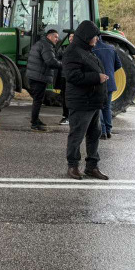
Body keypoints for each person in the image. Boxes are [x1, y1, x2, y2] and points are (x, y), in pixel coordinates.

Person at [63, 20, 109, 181]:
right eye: (94, 37)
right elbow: (72, 76)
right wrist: (97, 77)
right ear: (86, 37)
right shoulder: (73, 51)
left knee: (94, 134)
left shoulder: (88, 51)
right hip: (81, 102)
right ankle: (73, 166)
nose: (96, 40)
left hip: (93, 102)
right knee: (77, 135)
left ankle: (92, 167)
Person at [26, 29, 62, 132]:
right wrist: (63, 65)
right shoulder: (47, 46)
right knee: (37, 101)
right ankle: (34, 123)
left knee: (38, 100)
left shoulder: (40, 43)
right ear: (49, 36)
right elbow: (50, 61)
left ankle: (36, 119)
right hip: (39, 77)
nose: (57, 39)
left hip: (35, 76)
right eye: (55, 37)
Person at [92, 36, 122, 139]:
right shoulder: (111, 48)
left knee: (99, 106)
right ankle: (109, 130)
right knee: (107, 107)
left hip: (98, 82)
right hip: (110, 83)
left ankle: (103, 131)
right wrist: (110, 72)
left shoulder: (92, 49)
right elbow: (118, 64)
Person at [56, 33, 73, 125]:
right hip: (64, 76)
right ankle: (66, 116)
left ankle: (70, 117)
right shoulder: (64, 47)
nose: (71, 38)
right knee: (64, 96)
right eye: (70, 36)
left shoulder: (80, 48)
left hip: (73, 77)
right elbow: (57, 56)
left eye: (73, 36)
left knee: (72, 97)